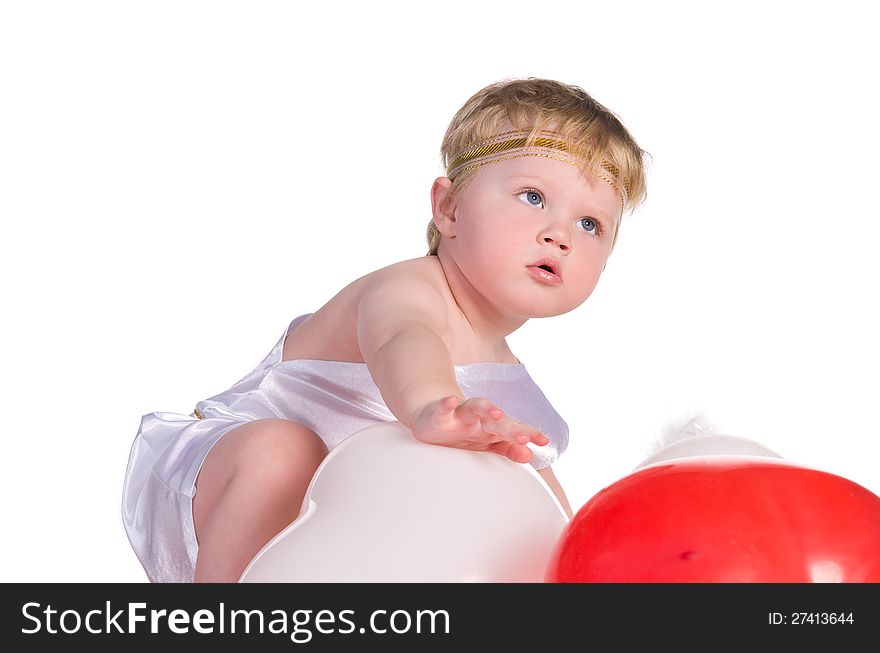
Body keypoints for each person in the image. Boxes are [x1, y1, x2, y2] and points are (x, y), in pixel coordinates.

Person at [122, 77, 648, 583]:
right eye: (533, 196)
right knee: (281, 452)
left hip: (348, 532)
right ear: (449, 207)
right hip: (229, 484)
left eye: (590, 225)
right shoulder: (409, 290)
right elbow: (404, 341)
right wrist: (432, 407)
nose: (560, 235)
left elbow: (536, 508)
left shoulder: (514, 397)